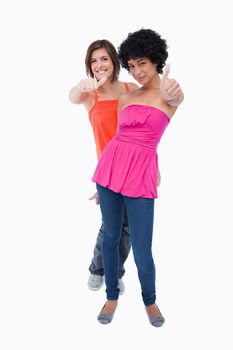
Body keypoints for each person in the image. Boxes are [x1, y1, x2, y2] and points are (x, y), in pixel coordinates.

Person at [69, 38, 183, 295]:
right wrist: (80, 85)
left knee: (128, 229)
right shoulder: (90, 94)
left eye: (104, 59)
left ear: (115, 62)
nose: (99, 65)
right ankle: (100, 270)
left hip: (137, 169)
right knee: (110, 229)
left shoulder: (131, 89)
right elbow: (72, 97)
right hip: (108, 167)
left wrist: (155, 167)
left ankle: (113, 272)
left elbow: (150, 129)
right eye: (93, 61)